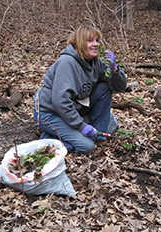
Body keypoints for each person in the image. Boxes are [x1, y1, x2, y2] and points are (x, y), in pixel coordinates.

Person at [33, 25, 127, 154]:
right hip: (50, 113)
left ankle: (97, 135)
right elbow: (60, 102)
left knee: (104, 87)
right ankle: (49, 137)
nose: (95, 44)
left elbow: (119, 87)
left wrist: (115, 70)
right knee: (86, 147)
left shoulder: (95, 63)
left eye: (97, 41)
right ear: (80, 43)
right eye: (90, 41)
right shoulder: (67, 62)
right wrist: (81, 126)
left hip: (74, 107)